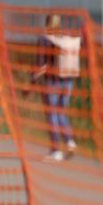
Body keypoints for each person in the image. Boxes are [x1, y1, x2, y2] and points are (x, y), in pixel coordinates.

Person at [33, 14, 80, 161]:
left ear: (47, 23)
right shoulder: (64, 38)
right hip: (68, 80)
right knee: (61, 113)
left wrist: (32, 81)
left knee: (52, 114)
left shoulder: (44, 39)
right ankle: (70, 142)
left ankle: (55, 150)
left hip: (52, 82)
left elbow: (41, 64)